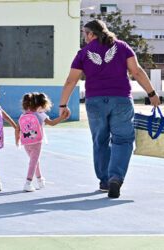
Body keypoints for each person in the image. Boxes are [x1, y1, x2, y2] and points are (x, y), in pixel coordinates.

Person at [59, 19, 161, 198]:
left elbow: (71, 80)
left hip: (95, 102)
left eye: (85, 33)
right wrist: (152, 93)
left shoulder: (83, 53)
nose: (84, 37)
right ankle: (116, 177)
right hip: (121, 99)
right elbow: (136, 71)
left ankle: (105, 181)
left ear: (92, 34)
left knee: (100, 140)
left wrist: (63, 104)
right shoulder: (122, 47)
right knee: (122, 140)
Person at [19, 92, 67, 192]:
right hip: (36, 142)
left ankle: (40, 179)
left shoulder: (24, 114)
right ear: (40, 105)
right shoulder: (40, 114)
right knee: (33, 162)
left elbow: (19, 128)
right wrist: (62, 117)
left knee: (35, 161)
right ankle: (28, 183)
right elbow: (52, 123)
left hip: (26, 142)